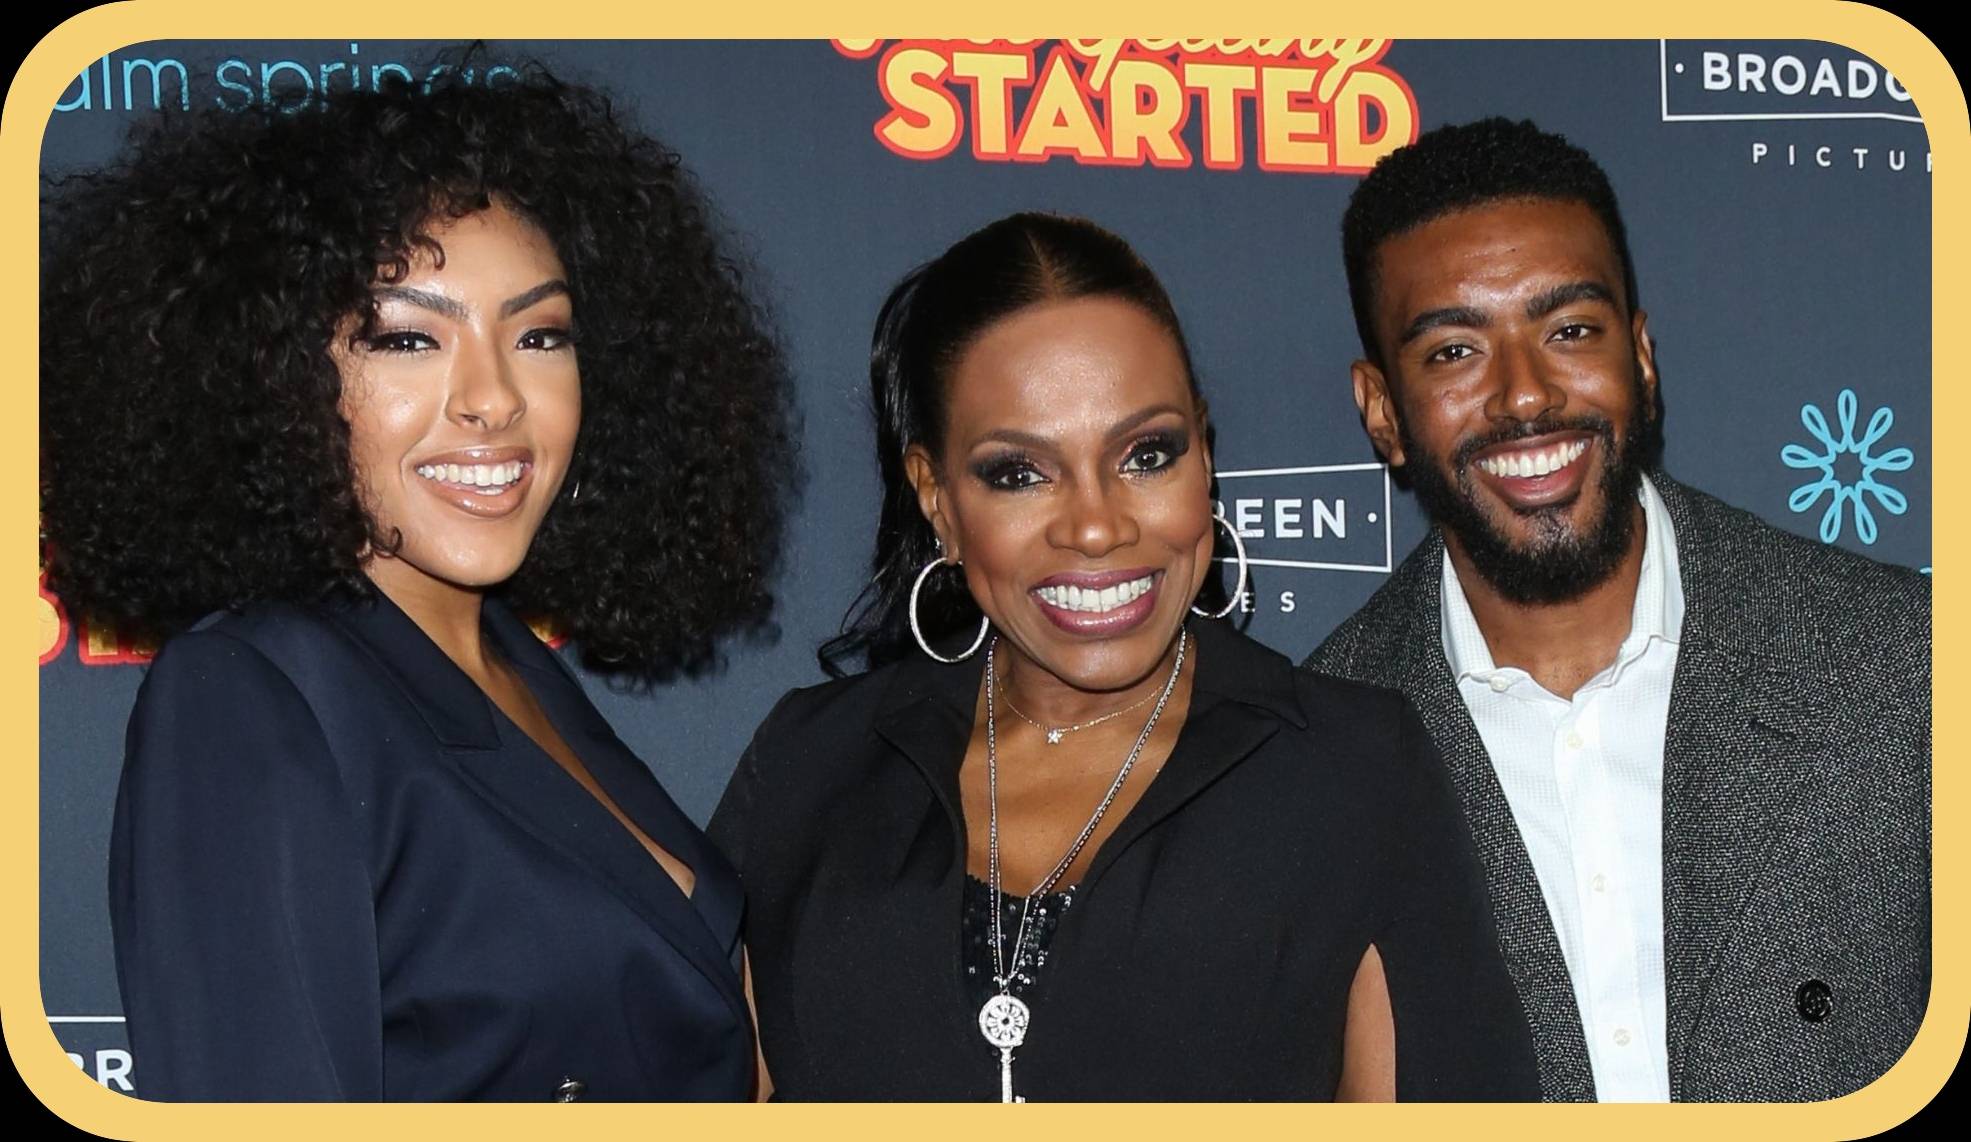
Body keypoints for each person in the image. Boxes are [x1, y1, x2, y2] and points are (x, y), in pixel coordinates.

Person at [39, 58, 795, 1101]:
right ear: (275, 376)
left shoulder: (519, 671)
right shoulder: (253, 695)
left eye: (540, 334)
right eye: (405, 337)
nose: (492, 399)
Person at [708, 212, 1539, 1101]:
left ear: (1205, 458)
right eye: (1017, 473)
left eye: (1146, 454)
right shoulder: (810, 767)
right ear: (937, 499)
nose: (1097, 524)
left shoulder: (1350, 769)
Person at [1302, 117, 1930, 1102]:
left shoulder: (1907, 666)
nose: (1523, 395)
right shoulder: (1314, 757)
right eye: (1455, 349)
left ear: (1640, 355)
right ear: (1382, 410)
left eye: (1569, 331)